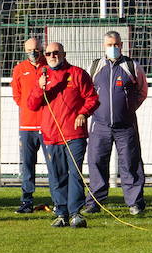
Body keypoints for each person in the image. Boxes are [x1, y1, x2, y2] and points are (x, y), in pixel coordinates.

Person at [26, 41, 99, 228]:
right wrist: (39, 88)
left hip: (74, 134)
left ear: (64, 53)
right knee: (56, 176)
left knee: (74, 174)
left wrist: (83, 113)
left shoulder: (77, 74)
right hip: (50, 134)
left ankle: (75, 213)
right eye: (48, 53)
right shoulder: (43, 76)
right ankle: (61, 213)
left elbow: (92, 98)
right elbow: (32, 105)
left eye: (56, 52)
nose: (52, 56)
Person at [84, 30, 148, 215]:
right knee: (96, 162)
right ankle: (95, 202)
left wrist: (128, 108)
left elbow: (142, 91)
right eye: (109, 45)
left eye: (116, 44)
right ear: (104, 46)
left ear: (122, 45)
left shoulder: (131, 66)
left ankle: (134, 203)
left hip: (126, 126)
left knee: (130, 163)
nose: (113, 48)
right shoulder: (95, 66)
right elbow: (87, 92)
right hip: (99, 125)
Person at [10, 36, 45, 214]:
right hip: (27, 126)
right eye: (30, 49)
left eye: (37, 48)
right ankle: (27, 201)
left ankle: (60, 201)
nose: (33, 52)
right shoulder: (19, 69)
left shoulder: (49, 65)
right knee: (27, 166)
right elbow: (17, 95)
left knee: (56, 166)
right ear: (25, 51)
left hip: (48, 126)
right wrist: (27, 106)